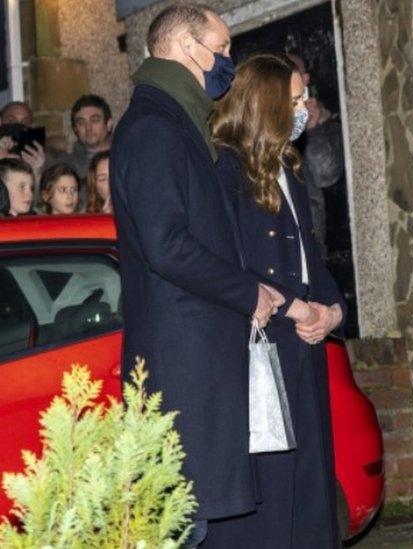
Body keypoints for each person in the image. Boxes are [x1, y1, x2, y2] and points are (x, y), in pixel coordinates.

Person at [109, 4, 296, 546]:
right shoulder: (152, 127)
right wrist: (247, 291)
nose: (228, 60)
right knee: (181, 525)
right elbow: (165, 245)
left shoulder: (179, 122)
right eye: (222, 46)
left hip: (198, 358)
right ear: (188, 48)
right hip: (181, 366)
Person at [209, 51, 345, 548]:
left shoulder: (289, 167)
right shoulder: (224, 170)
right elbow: (230, 265)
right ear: (265, 105)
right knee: (270, 499)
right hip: (262, 352)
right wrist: (294, 308)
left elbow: (313, 258)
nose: (305, 108)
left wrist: (332, 311)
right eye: (294, 99)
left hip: (306, 346)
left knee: (311, 495)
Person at [284, 53, 344, 259]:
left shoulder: (326, 124)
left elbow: (326, 175)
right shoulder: (264, 126)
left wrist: (313, 129)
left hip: (311, 248)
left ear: (305, 79)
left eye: (292, 71)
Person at [60, 95, 113, 180]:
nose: (88, 128)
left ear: (109, 124)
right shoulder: (66, 167)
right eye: (81, 123)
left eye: (94, 120)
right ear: (75, 129)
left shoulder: (125, 158)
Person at [0, 101, 46, 185]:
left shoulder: (43, 157)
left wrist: (37, 174)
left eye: (25, 122)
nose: (19, 125)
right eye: (12, 121)